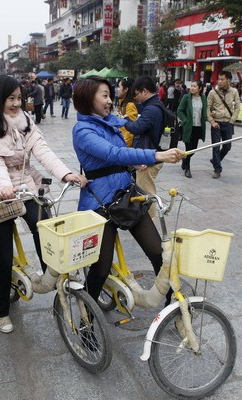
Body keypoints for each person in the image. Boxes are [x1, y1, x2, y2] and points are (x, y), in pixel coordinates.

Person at [0, 75, 86, 334]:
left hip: (26, 185)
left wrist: (66, 174)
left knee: (45, 230)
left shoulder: (26, 121)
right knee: (2, 258)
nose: (16, 103)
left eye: (19, 98)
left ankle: (52, 278)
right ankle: (0, 310)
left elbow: (44, 151)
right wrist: (3, 188)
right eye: (10, 99)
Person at [70, 76, 184, 307]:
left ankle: (174, 310)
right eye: (104, 95)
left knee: (160, 255)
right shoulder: (82, 130)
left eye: (109, 95)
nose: (110, 100)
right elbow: (113, 154)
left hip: (126, 195)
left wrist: (134, 164)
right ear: (87, 98)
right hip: (99, 204)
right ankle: (87, 316)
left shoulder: (110, 123)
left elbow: (121, 156)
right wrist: (157, 155)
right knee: (101, 269)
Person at [123, 76, 167, 218]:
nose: (135, 98)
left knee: (146, 193)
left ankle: (149, 221)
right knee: (145, 190)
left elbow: (136, 128)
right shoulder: (156, 105)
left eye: (136, 94)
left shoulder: (151, 110)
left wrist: (124, 120)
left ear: (145, 91)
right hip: (152, 154)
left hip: (148, 159)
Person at [207, 70, 240, 179]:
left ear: (228, 80)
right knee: (215, 147)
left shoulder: (234, 92)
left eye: (222, 79)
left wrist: (232, 121)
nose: (219, 82)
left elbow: (237, 108)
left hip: (228, 123)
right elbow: (207, 108)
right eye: (219, 79)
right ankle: (217, 169)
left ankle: (215, 160)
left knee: (227, 147)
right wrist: (212, 122)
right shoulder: (213, 93)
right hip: (216, 123)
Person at [177, 80, 208, 178]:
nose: (192, 88)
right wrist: (185, 121)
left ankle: (184, 159)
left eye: (194, 86)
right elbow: (180, 110)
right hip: (188, 127)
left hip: (198, 127)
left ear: (200, 88)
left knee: (193, 149)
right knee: (189, 148)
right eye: (191, 86)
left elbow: (205, 112)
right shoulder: (186, 97)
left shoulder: (203, 98)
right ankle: (187, 168)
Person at [116, 78, 138, 147]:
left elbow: (130, 131)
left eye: (119, 87)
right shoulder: (122, 104)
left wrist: (123, 148)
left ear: (126, 89)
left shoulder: (130, 105)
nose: (117, 89)